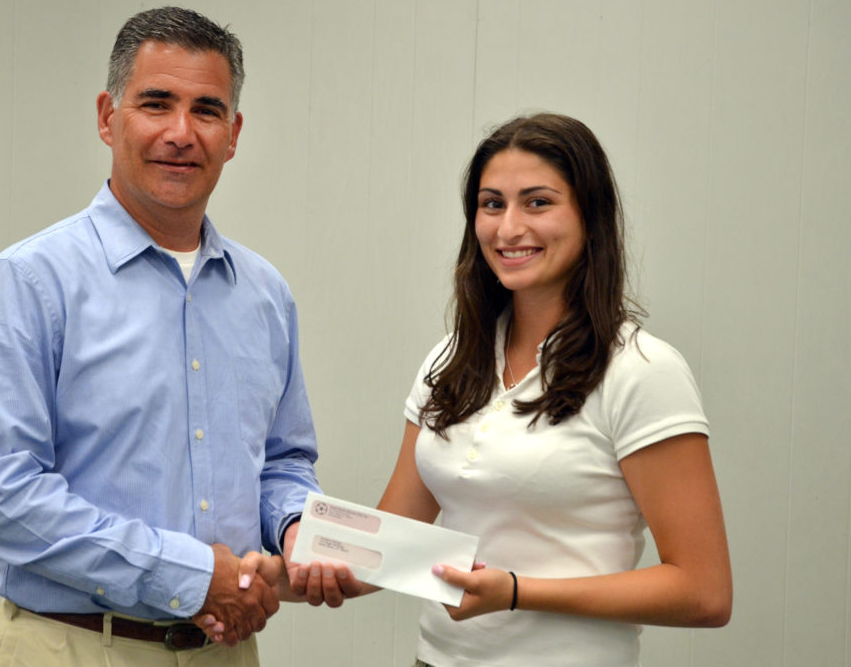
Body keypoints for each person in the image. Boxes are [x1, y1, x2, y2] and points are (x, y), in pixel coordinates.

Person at [288, 112, 732, 666]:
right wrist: (274, 574)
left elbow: (704, 591)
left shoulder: (642, 370)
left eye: (538, 202)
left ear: (591, 218)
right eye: (492, 203)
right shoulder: (450, 358)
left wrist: (517, 592)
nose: (508, 228)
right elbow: (390, 545)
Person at [0, 6, 320, 667]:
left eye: (206, 110)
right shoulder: (31, 283)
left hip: (225, 651)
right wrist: (187, 573)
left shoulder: (264, 294)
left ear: (232, 135)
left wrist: (297, 530)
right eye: (156, 103)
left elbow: (285, 461)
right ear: (106, 116)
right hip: (72, 646)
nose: (182, 133)